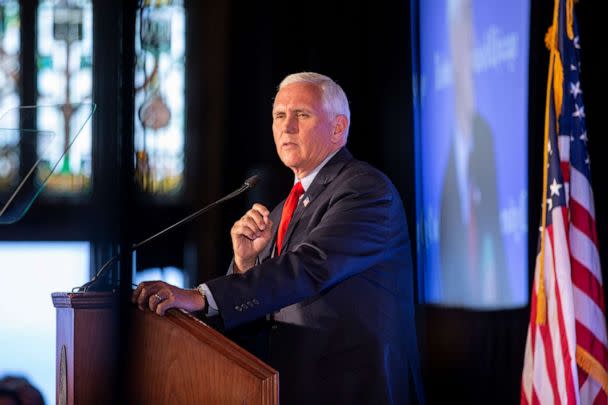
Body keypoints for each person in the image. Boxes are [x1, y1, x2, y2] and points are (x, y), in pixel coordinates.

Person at [132, 72, 423, 404]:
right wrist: (244, 263)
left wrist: (202, 296)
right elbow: (265, 306)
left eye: (302, 114)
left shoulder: (365, 191)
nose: (287, 127)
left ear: (338, 128)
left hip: (354, 390)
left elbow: (311, 267)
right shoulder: (281, 210)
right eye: (280, 116)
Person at [439, 0, 509, 307]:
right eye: (458, 37)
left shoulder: (487, 136)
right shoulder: (446, 160)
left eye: (469, 38)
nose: (465, 51)